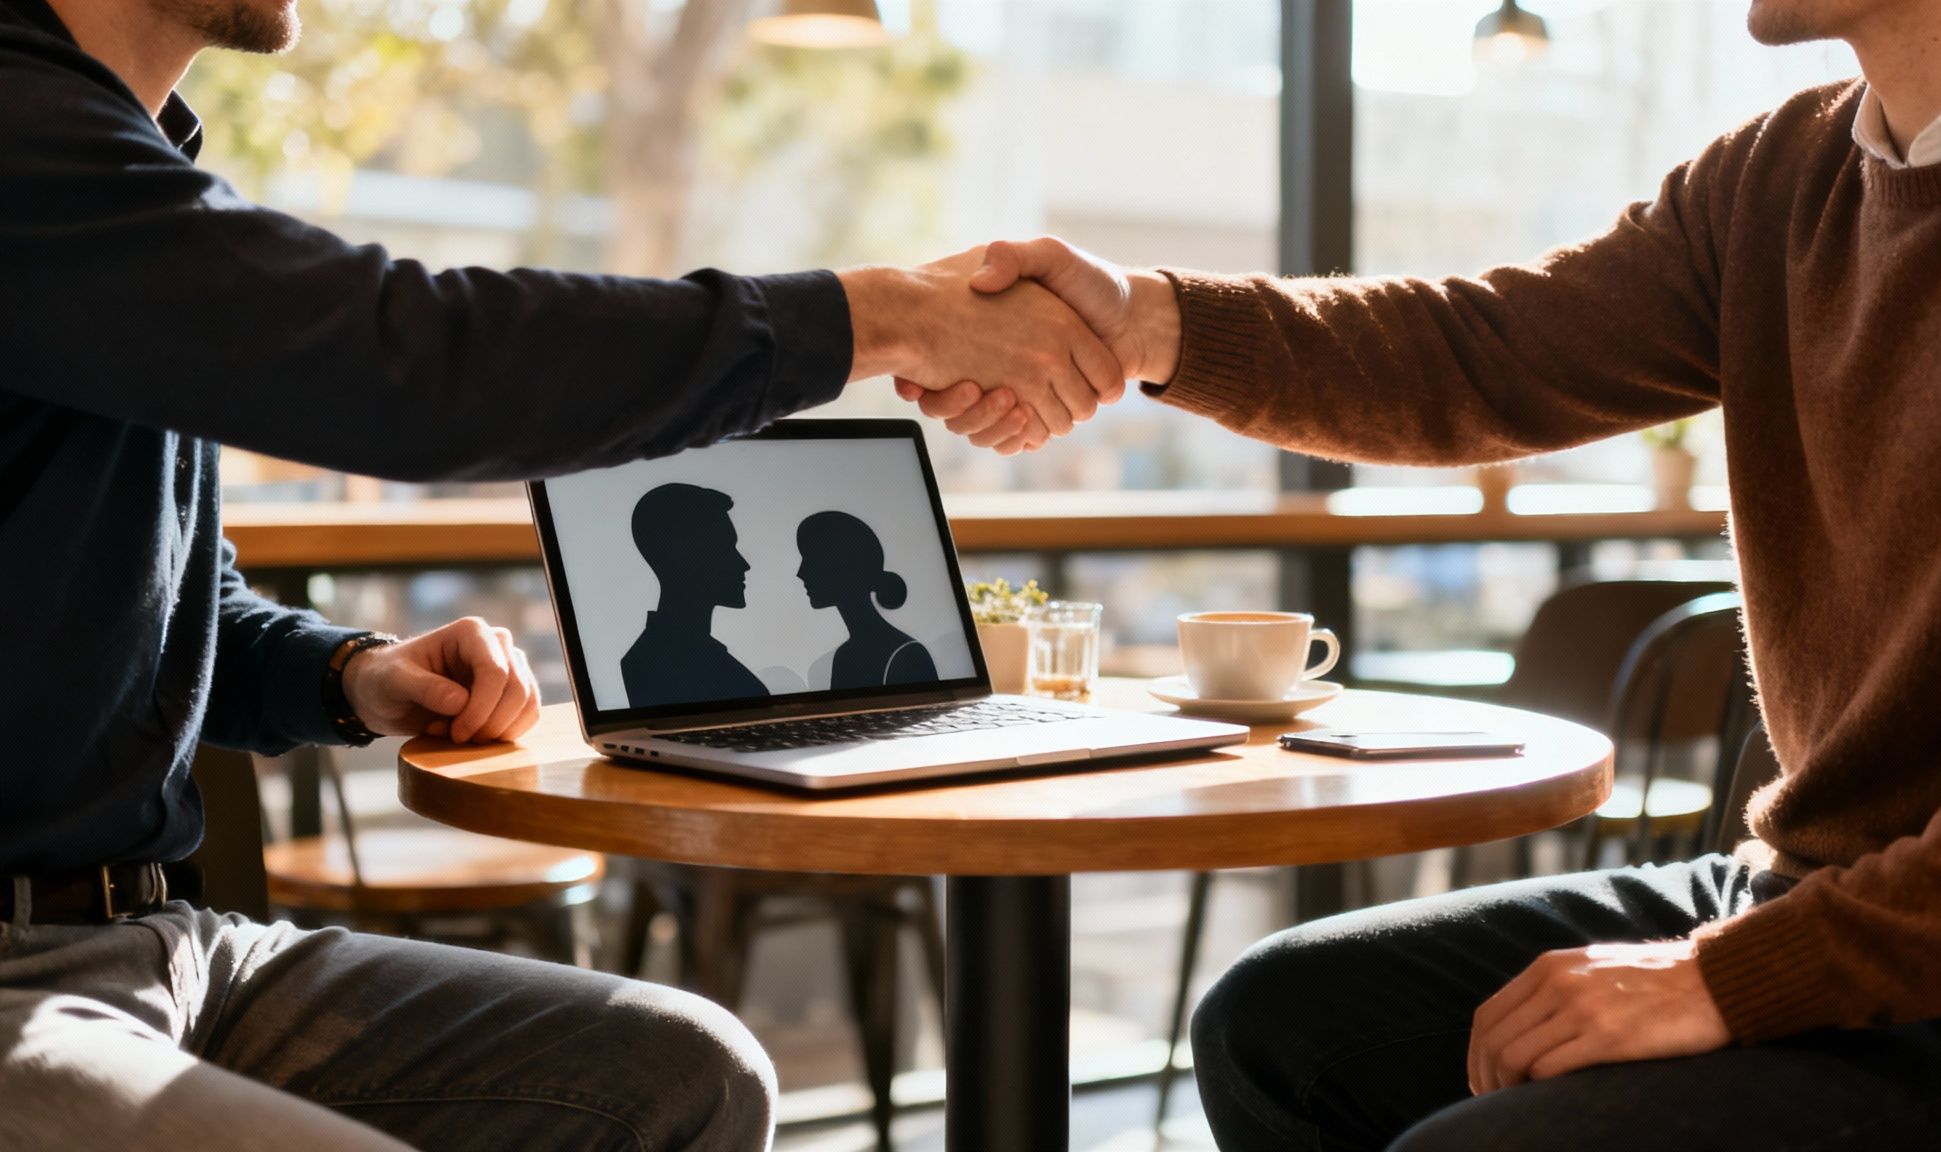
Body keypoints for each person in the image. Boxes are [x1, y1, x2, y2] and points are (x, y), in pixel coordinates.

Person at [902, 0, 1941, 1147]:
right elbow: (1480, 353)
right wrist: (1146, 321)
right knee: (1278, 1028)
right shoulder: (1776, 177)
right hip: (1808, 889)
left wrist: (1732, 980)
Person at [0, 0, 1125, 1140]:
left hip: (160, 944)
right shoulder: (25, 132)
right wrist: (875, 318)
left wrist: (350, 672)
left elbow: (158, 603)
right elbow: (413, 362)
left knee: (689, 1075)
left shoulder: (123, 168)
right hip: (16, 984)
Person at [622, 484, 768, 708]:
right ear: (683, 556)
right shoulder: (656, 663)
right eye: (725, 549)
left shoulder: (677, 655)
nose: (744, 564)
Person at [795, 510, 937, 691]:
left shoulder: (907, 655)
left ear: (842, 565)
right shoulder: (844, 657)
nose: (801, 573)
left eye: (811, 559)